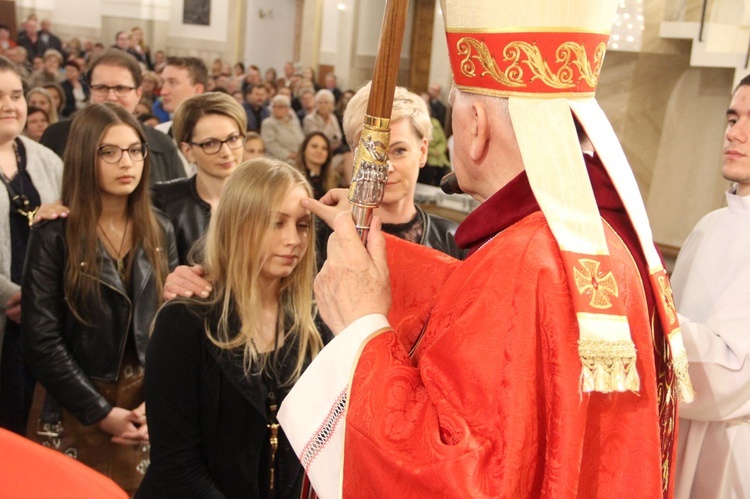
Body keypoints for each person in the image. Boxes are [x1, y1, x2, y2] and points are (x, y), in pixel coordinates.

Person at [277, 1, 694, 497]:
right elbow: (481, 308)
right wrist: (380, 248)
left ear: (476, 127)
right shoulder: (595, 244)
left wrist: (361, 326)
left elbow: (447, 479)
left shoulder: (524, 259)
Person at [137, 159, 327, 498]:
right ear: (238, 224)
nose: (293, 239)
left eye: (302, 225)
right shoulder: (185, 321)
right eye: (275, 222)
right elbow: (176, 465)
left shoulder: (312, 324)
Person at [22, 102, 178, 494]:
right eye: (109, 151)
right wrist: (101, 411)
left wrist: (154, 402)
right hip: (74, 403)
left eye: (134, 150)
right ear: (83, 156)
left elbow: (170, 326)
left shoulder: (160, 229)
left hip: (142, 405)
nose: (126, 162)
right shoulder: (54, 234)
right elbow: (42, 340)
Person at [672, 75, 750, 498]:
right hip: (681, 437)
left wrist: (646, 314)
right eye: (733, 117)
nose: (733, 132)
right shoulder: (707, 227)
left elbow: (733, 377)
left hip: (734, 456)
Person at [0, 56, 66, 436]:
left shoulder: (45, 159)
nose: (11, 105)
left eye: (17, 95)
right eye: (0, 96)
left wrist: (40, 300)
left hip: (40, 319)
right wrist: (10, 296)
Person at [40, 49, 184, 185]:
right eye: (101, 88)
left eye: (121, 89)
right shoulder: (57, 136)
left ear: (138, 94)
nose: (111, 97)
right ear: (90, 92)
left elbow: (178, 205)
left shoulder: (161, 144)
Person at [151, 92, 247, 264]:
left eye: (232, 139)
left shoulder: (267, 200)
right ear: (188, 151)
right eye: (210, 143)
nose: (226, 152)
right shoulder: (164, 203)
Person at [154, 56, 208, 176]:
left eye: (172, 83)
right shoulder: (158, 133)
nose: (163, 91)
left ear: (197, 90)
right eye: (163, 83)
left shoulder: (218, 136)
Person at [261, 94, 305, 164]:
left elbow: (301, 137)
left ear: (287, 109)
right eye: (274, 106)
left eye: (280, 107)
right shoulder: (268, 123)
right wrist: (289, 155)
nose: (276, 109)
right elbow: (270, 144)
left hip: (299, 156)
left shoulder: (294, 122)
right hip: (281, 160)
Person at [296, 131, 337, 200]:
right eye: (314, 146)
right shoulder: (294, 178)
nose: (319, 151)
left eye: (324, 148)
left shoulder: (335, 179)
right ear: (304, 150)